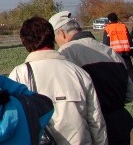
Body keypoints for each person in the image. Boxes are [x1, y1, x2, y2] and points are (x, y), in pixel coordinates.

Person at [8, 16, 106, 145]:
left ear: (24, 42)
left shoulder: (19, 74)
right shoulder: (78, 72)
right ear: (52, 37)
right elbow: (95, 119)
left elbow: (13, 121)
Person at [50, 10, 133, 145]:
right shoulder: (110, 52)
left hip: (94, 127)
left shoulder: (66, 53)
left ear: (61, 33)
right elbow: (129, 94)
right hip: (121, 123)